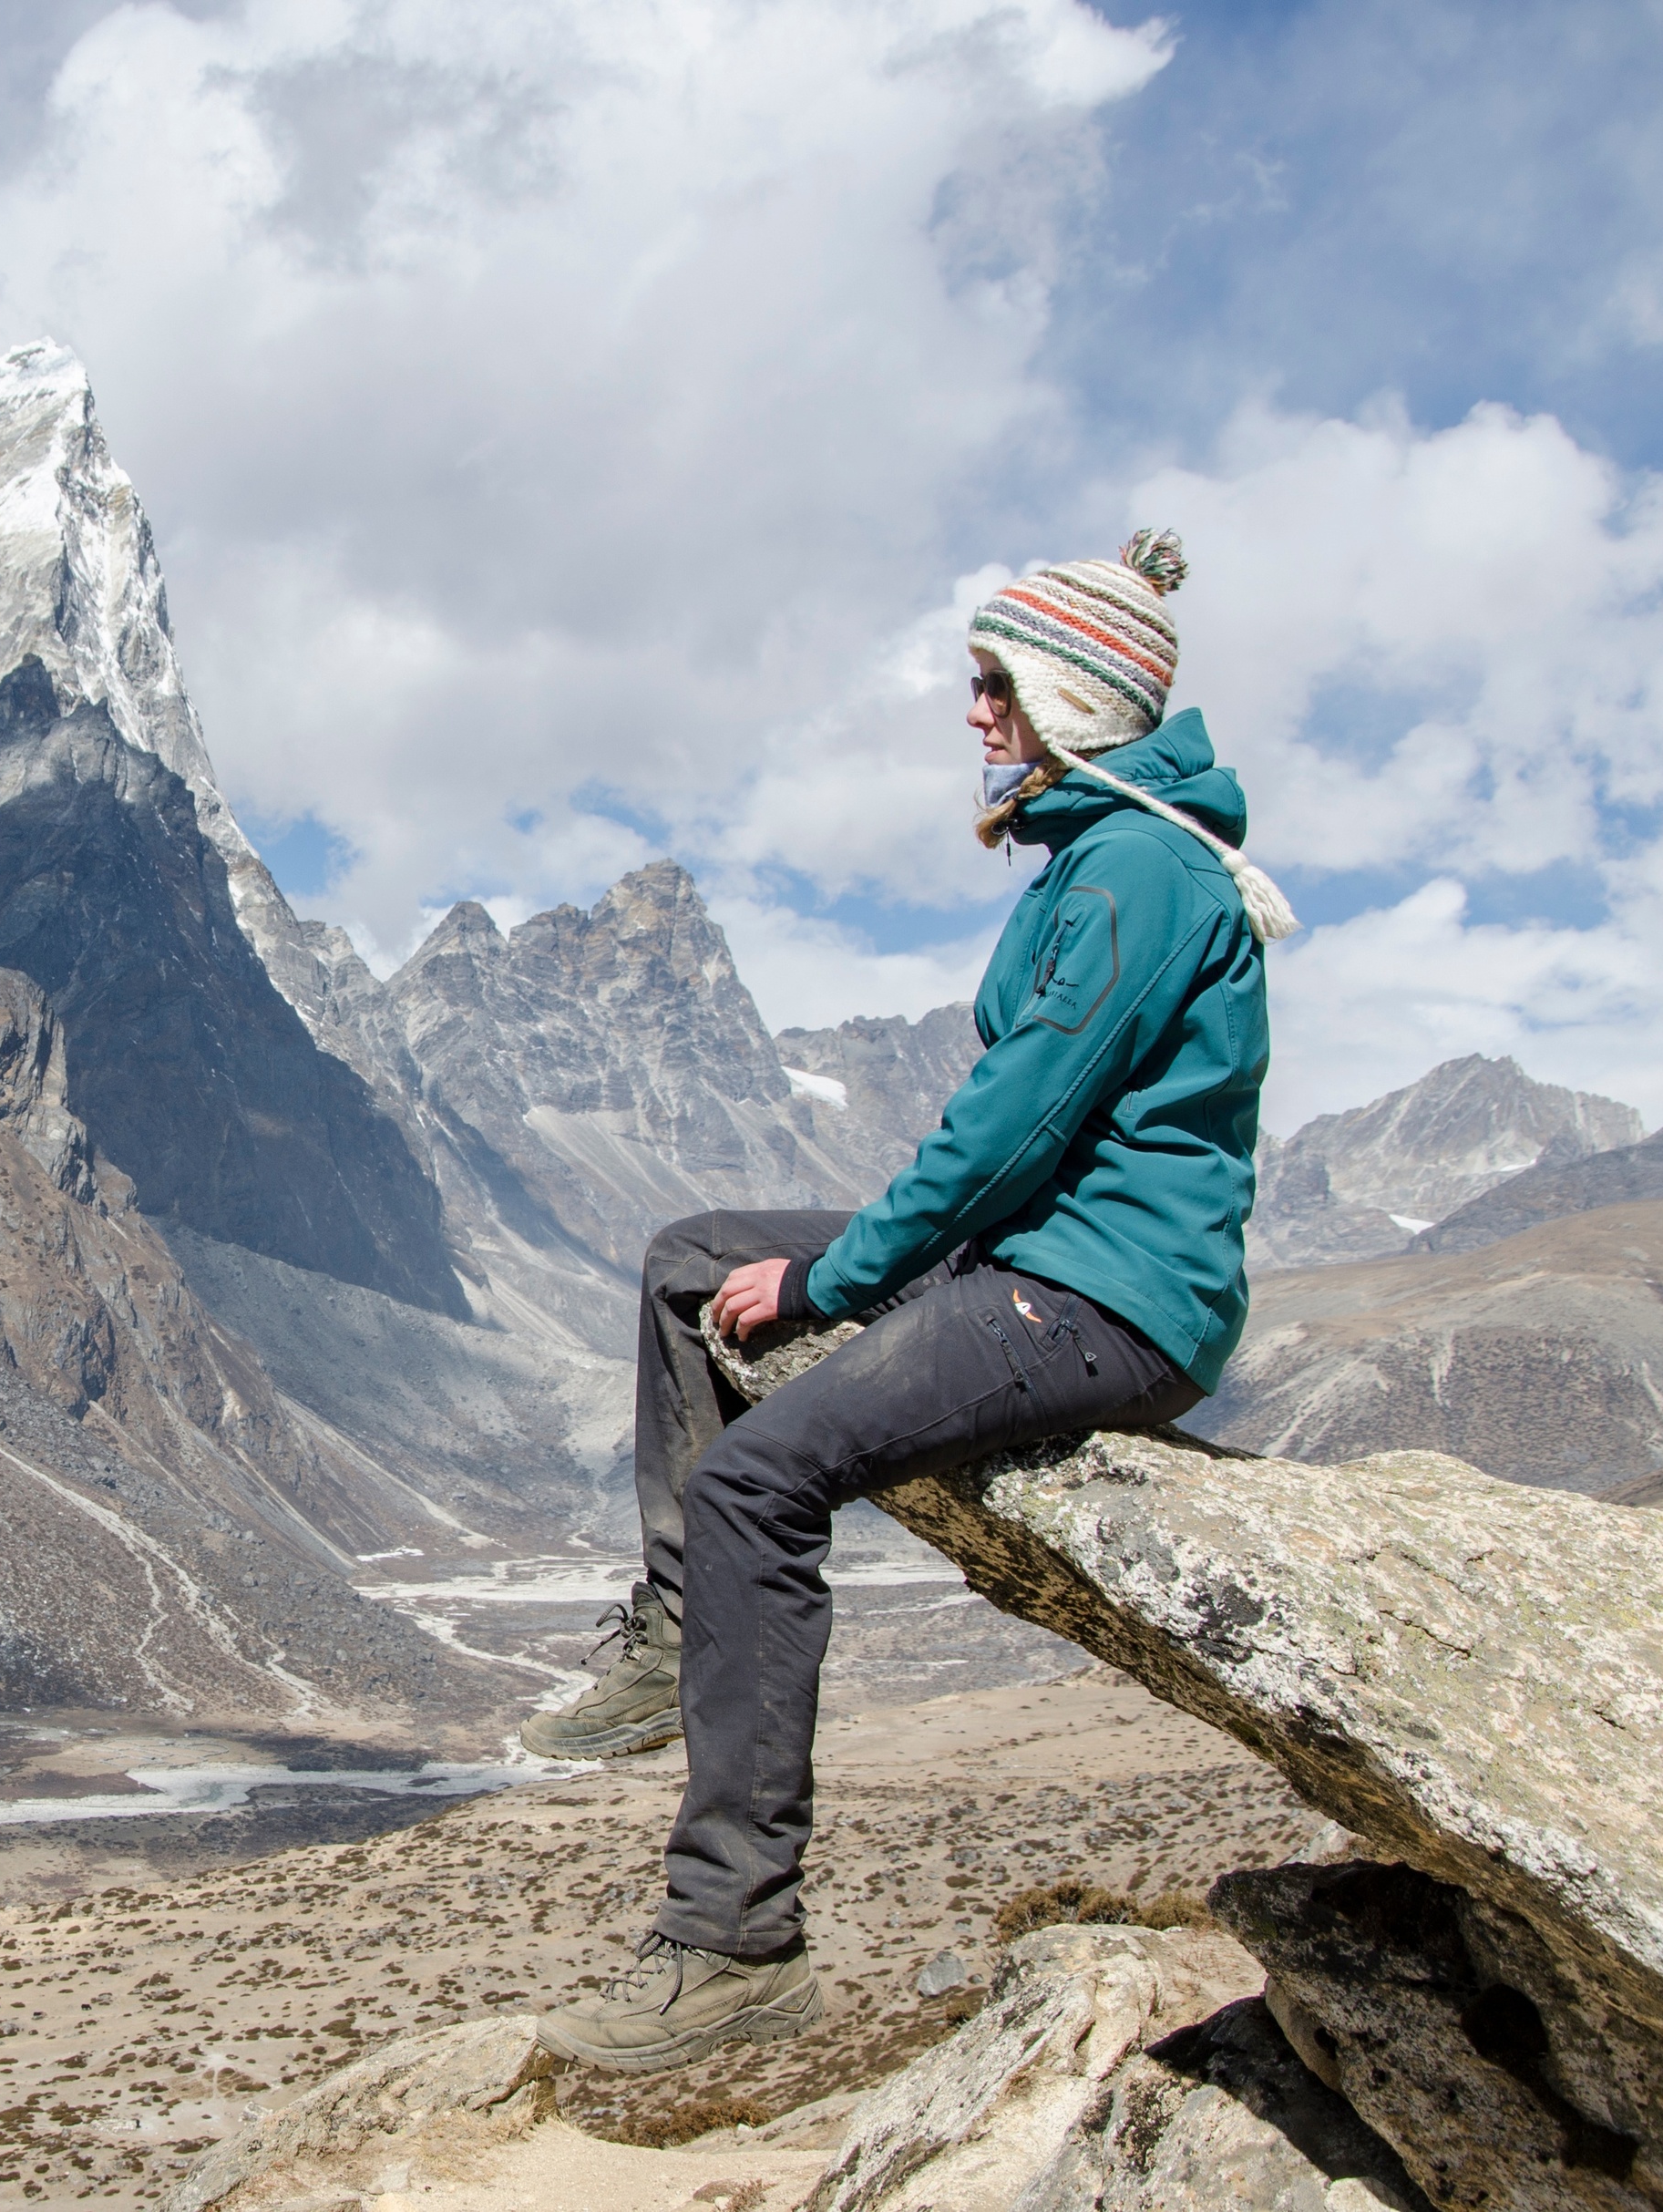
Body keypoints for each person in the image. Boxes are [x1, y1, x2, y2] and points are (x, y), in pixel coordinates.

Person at [527, 530, 1294, 2073]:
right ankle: (678, 1626)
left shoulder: (1134, 865)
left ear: (1069, 698)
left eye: (992, 683)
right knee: (688, 1259)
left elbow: (1020, 1113)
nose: (972, 713)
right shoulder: (1104, 853)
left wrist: (834, 1278)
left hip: (1096, 1298)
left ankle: (733, 1941)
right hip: (1040, 1254)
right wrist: (839, 1265)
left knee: (758, 1481)